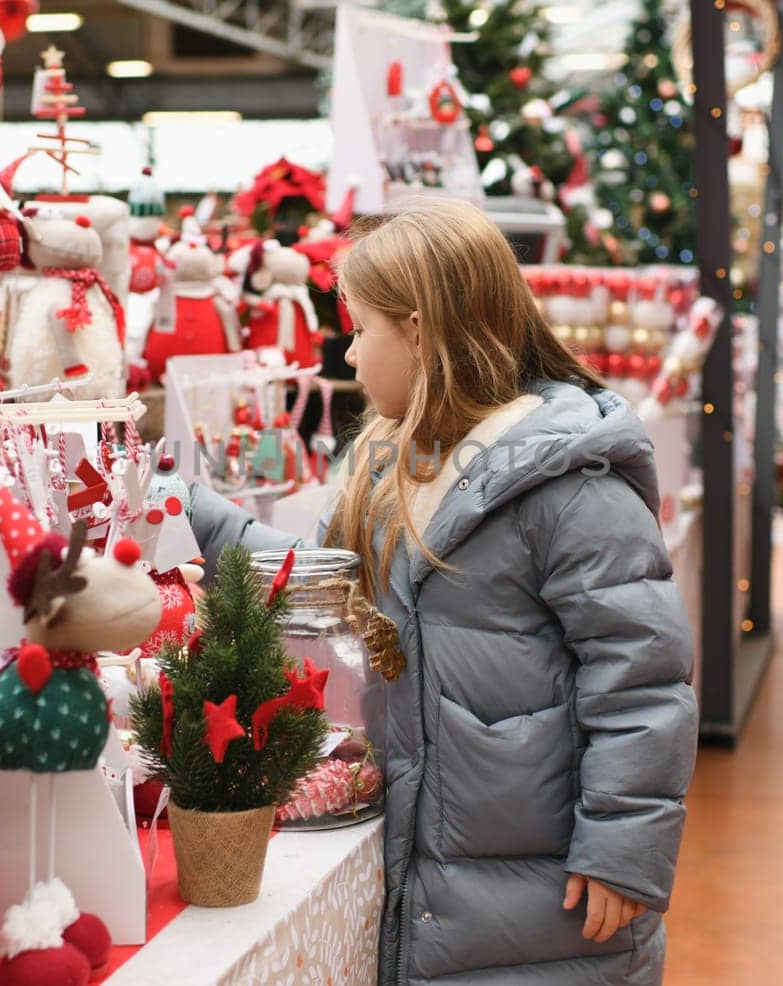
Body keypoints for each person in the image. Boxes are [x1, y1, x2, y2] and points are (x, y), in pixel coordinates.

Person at [190, 195, 698, 985]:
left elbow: (643, 677)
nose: (349, 357)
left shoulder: (568, 485)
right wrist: (200, 519)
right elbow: (324, 580)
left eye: (361, 330)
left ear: (422, 329)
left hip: (552, 906)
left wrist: (624, 849)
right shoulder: (395, 464)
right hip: (449, 883)